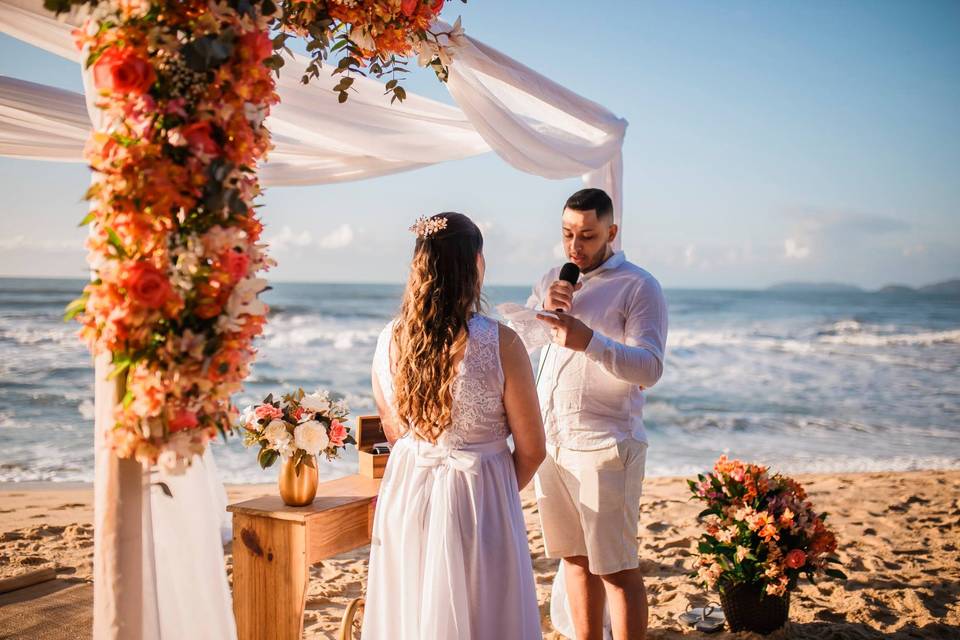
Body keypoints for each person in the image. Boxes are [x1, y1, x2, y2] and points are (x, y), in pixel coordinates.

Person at [362, 212, 545, 640]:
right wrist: (491, 490)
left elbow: (395, 432)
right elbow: (533, 448)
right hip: (479, 496)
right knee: (486, 614)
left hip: (408, 494)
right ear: (476, 265)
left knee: (412, 612)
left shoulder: (389, 338)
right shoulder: (502, 342)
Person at [530, 188, 668, 640]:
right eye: (568, 234)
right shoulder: (553, 278)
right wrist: (539, 314)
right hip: (553, 443)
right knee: (573, 558)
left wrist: (588, 340)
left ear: (611, 232)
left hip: (605, 445)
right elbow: (525, 345)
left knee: (616, 567)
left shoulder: (639, 286)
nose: (575, 247)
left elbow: (649, 368)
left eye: (587, 236)